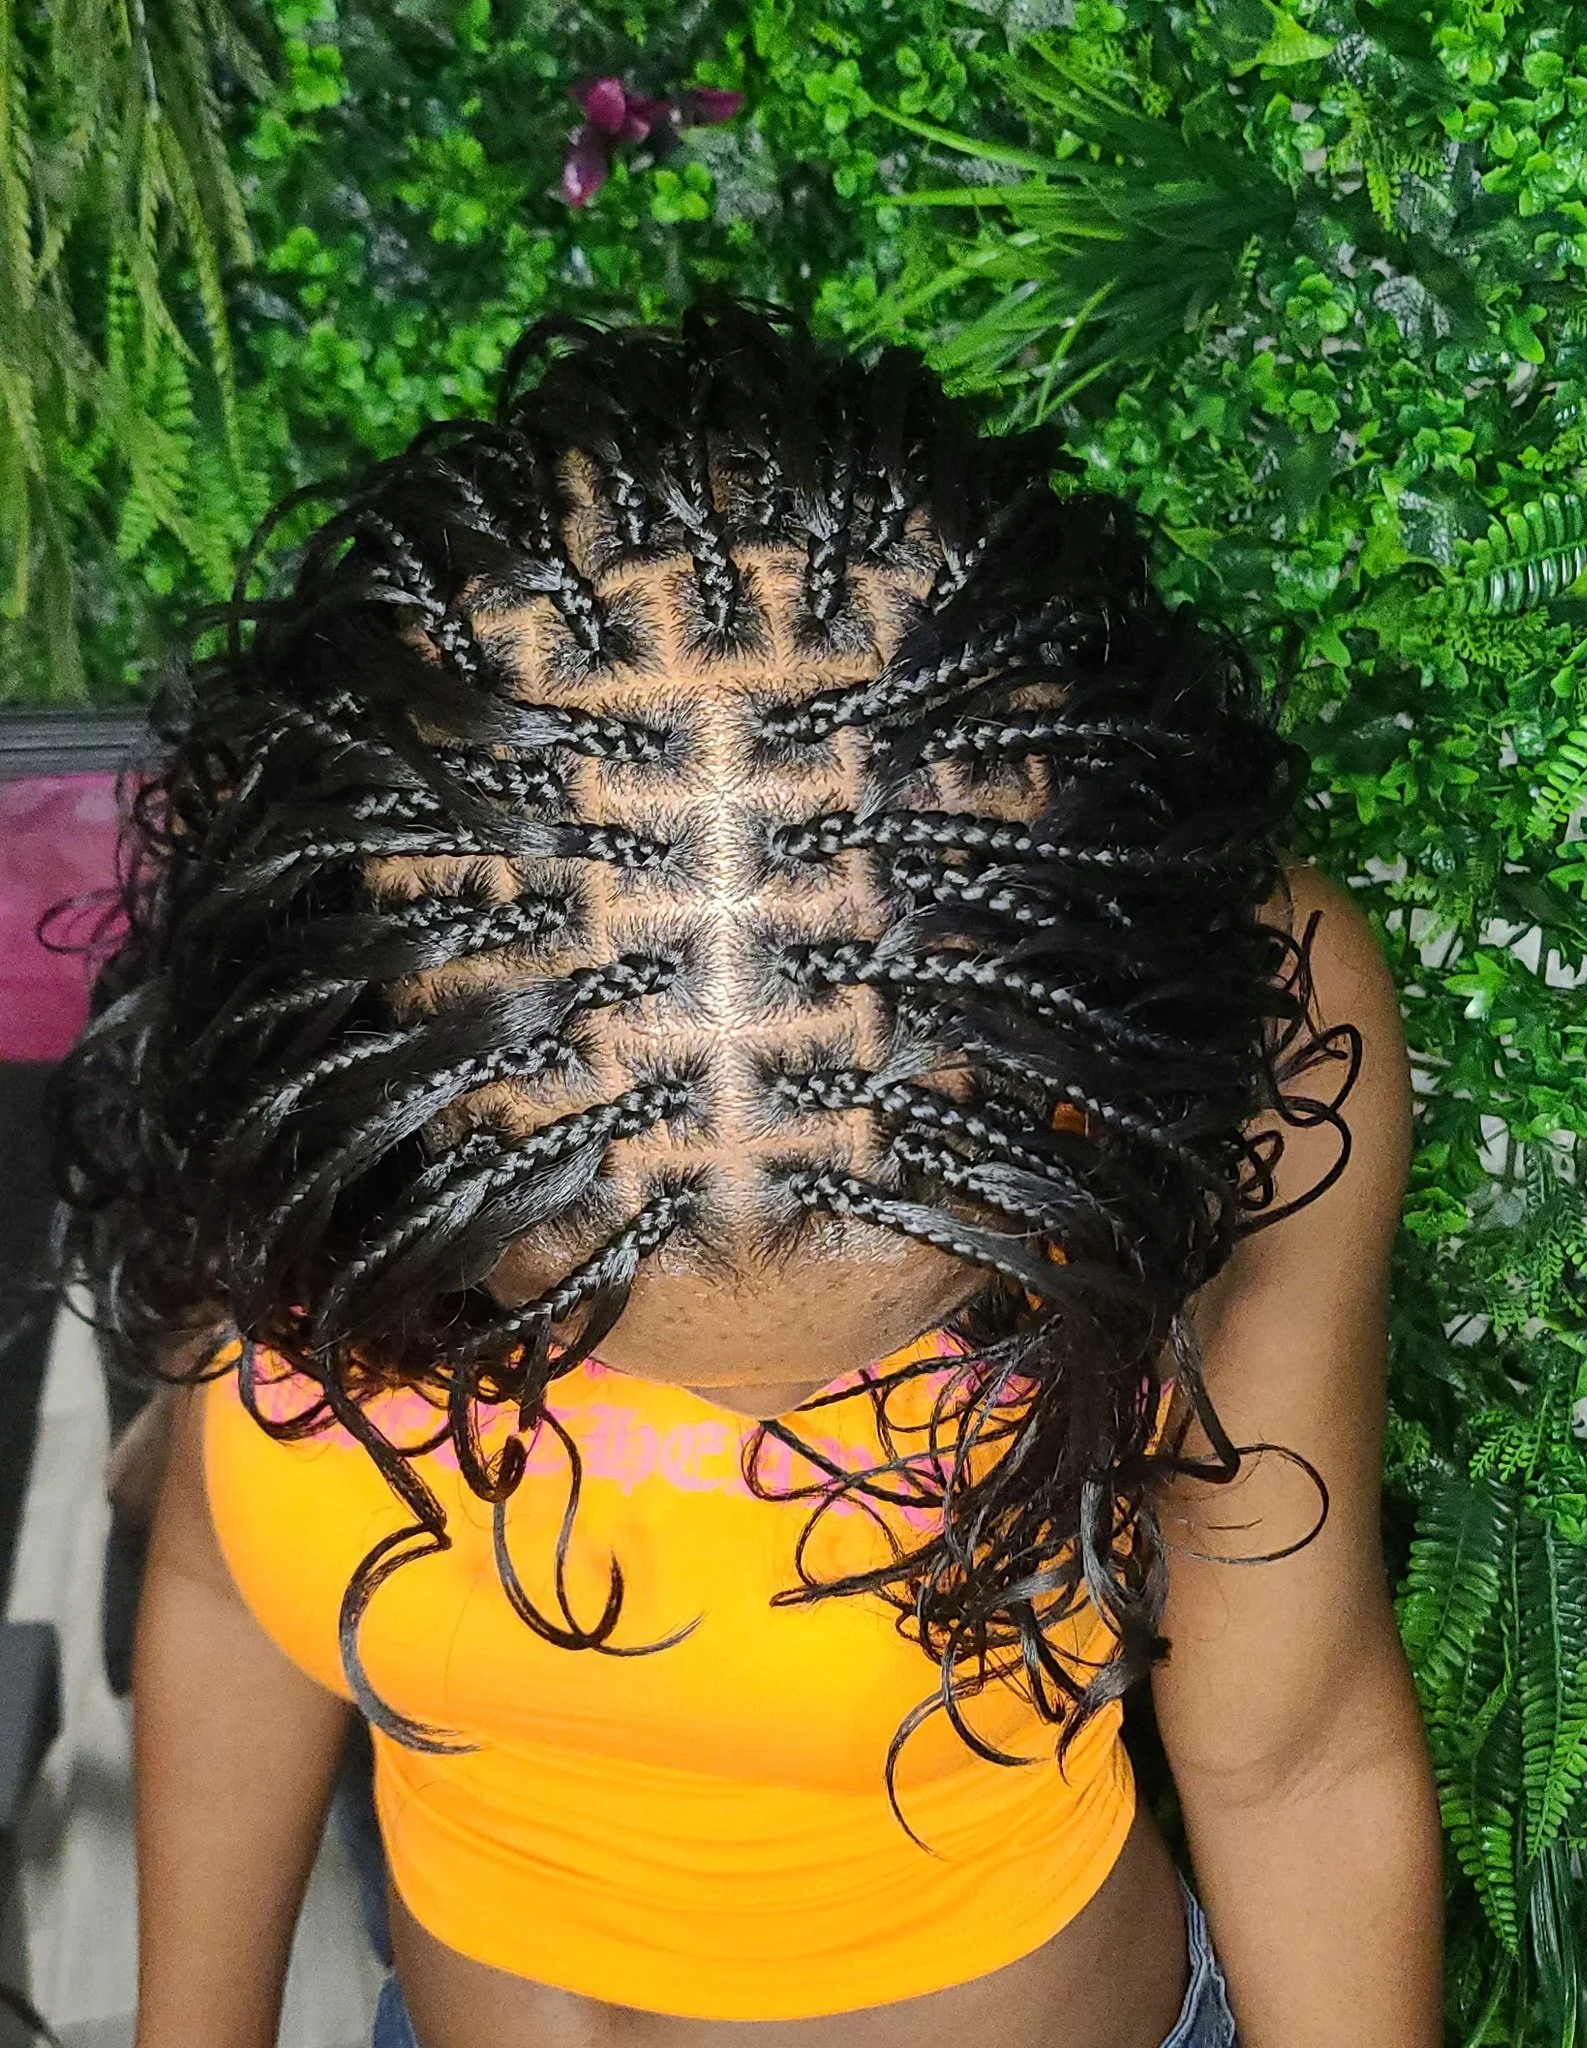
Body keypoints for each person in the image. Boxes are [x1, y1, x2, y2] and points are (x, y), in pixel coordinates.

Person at [52, 303, 1442, 2048]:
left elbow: (1292, 1754)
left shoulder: (1227, 1031)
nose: (780, 1432)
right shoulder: (341, 1014)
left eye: (922, 1332)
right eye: (559, 1327)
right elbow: (221, 1585)